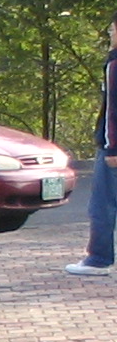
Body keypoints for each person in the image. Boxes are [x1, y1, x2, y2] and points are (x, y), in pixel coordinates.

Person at [65, 15, 117, 276]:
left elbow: (113, 110)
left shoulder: (115, 63)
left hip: (113, 149)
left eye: (112, 29)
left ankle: (98, 258)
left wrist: (112, 148)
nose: (110, 34)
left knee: (102, 205)